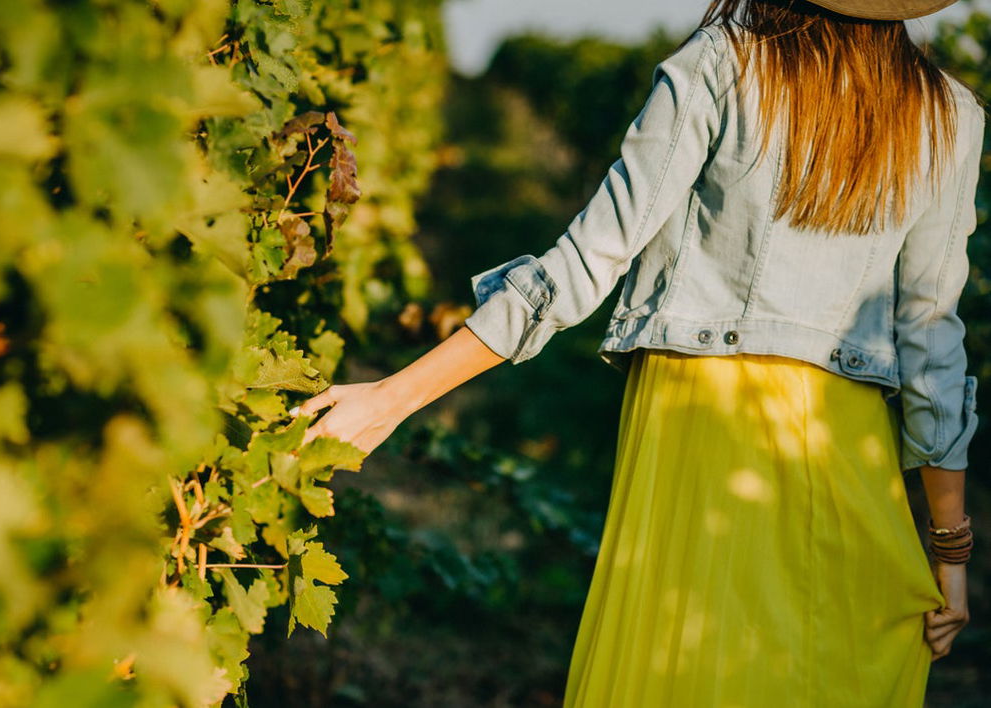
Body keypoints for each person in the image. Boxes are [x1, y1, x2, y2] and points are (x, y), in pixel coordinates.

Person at [290, 0, 980, 704]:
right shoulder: (950, 117)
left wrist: (392, 397)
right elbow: (933, 346)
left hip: (704, 427)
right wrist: (949, 549)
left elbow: (586, 262)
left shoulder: (723, 63)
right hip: (848, 454)